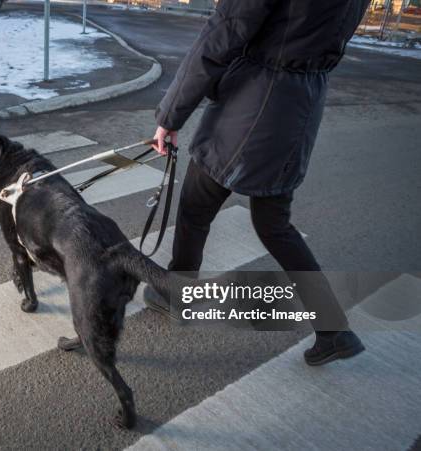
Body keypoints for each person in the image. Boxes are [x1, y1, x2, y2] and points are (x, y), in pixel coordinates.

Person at [145, 0, 369, 366]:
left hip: (254, 104)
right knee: (274, 223)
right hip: (301, 105)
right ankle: (334, 330)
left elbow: (222, 34)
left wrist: (171, 115)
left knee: (196, 205)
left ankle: (177, 293)